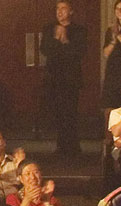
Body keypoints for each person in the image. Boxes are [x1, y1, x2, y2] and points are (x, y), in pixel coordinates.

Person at [44, 1, 87, 156]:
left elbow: (79, 52)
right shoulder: (50, 29)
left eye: (63, 9)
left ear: (71, 11)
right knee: (58, 112)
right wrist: (56, 38)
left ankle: (73, 146)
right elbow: (46, 50)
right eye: (57, 9)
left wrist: (65, 40)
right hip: (54, 78)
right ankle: (61, 145)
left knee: (70, 112)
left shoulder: (79, 30)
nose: (59, 12)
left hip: (71, 79)